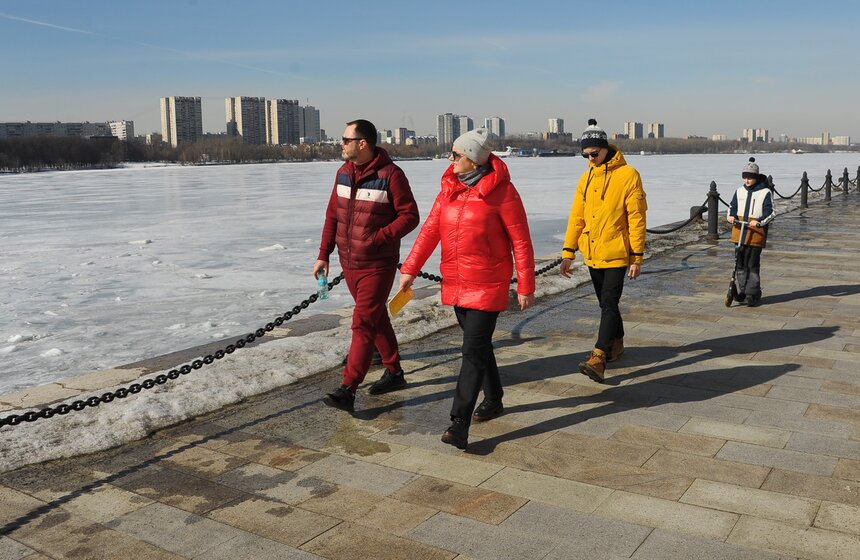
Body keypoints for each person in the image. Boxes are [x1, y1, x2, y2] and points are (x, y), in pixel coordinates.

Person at [399, 128, 535, 450]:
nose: (450, 159)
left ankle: (458, 423)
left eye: (457, 154)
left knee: (471, 352)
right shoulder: (449, 188)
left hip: (488, 283)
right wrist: (409, 270)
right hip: (457, 283)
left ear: (474, 159)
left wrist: (526, 285)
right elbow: (430, 231)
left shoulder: (503, 192)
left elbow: (521, 241)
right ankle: (495, 397)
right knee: (479, 346)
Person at [314, 119, 420, 412]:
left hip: (377, 264)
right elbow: (332, 217)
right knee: (375, 318)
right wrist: (324, 254)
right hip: (350, 264)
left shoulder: (391, 175)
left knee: (362, 322)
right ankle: (395, 373)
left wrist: (378, 238)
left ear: (363, 144)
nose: (341, 144)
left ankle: (347, 389)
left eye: (346, 139)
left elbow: (410, 215)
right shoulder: (343, 173)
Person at [560, 119, 647, 383]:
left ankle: (599, 356)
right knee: (606, 303)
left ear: (605, 148)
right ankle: (617, 343)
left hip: (618, 252)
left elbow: (637, 218)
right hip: (593, 252)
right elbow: (577, 217)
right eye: (585, 155)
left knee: (609, 302)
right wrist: (568, 252)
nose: (590, 158)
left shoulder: (628, 175)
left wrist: (637, 256)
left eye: (594, 153)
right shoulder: (586, 178)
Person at [727, 157, 775, 306]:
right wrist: (731, 216)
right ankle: (743, 290)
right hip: (739, 231)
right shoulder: (739, 191)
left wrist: (759, 222)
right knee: (740, 263)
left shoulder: (765, 192)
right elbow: (732, 206)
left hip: (755, 233)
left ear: (756, 177)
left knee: (752, 263)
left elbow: (771, 212)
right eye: (745, 177)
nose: (747, 180)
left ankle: (753, 292)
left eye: (750, 178)